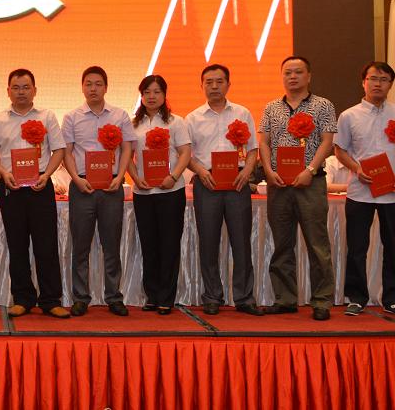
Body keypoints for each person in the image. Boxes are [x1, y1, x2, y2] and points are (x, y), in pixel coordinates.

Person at [335, 61, 395, 317]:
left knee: (394, 248)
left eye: (384, 80)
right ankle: (356, 298)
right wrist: (356, 169)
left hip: (393, 191)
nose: (378, 84)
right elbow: (340, 150)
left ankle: (394, 299)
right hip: (360, 192)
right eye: (373, 78)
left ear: (390, 84)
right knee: (357, 247)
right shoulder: (349, 116)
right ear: (363, 82)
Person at [0, 68, 69, 319]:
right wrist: (3, 173)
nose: (21, 92)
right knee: (17, 244)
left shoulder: (47, 116)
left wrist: (47, 174)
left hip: (41, 184)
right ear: (8, 91)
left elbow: (59, 150)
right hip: (11, 186)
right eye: (16, 87)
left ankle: (51, 300)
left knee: (46, 244)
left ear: (35, 90)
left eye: (26, 87)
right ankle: (22, 299)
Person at [257, 56, 337, 321]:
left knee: (317, 244)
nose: (293, 77)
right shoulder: (271, 108)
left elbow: (327, 142)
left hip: (310, 183)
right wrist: (268, 171)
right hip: (279, 184)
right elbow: (264, 142)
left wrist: (310, 170)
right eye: (288, 73)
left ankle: (322, 301)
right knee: (282, 244)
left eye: (298, 72)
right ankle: (285, 299)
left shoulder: (323, 105)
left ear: (309, 76)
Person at [185, 64, 263, 316]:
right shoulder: (192, 118)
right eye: (209, 82)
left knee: (241, 241)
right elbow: (186, 154)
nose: (214, 86)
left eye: (219, 81)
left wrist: (247, 171)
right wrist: (200, 171)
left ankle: (244, 297)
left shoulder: (242, 113)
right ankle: (212, 296)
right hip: (207, 183)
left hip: (237, 183)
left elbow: (252, 149)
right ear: (202, 86)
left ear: (228, 84)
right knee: (208, 241)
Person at [61, 66, 136, 317]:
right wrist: (75, 179)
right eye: (88, 84)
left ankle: (114, 296)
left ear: (106, 87)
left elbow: (127, 149)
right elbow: (67, 152)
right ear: (82, 87)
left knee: (111, 245)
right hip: (82, 186)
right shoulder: (72, 117)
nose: (93, 89)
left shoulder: (119, 115)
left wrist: (120, 176)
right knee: (80, 245)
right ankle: (81, 297)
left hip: (111, 186)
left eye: (98, 84)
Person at [127, 74, 191, 315]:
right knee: (149, 244)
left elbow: (185, 153)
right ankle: (152, 295)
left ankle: (166, 297)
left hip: (170, 191)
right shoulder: (133, 125)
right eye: (147, 92)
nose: (151, 96)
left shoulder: (176, 122)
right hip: (143, 192)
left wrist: (173, 176)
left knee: (169, 243)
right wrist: (135, 177)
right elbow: (127, 156)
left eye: (156, 92)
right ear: (141, 96)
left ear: (164, 95)